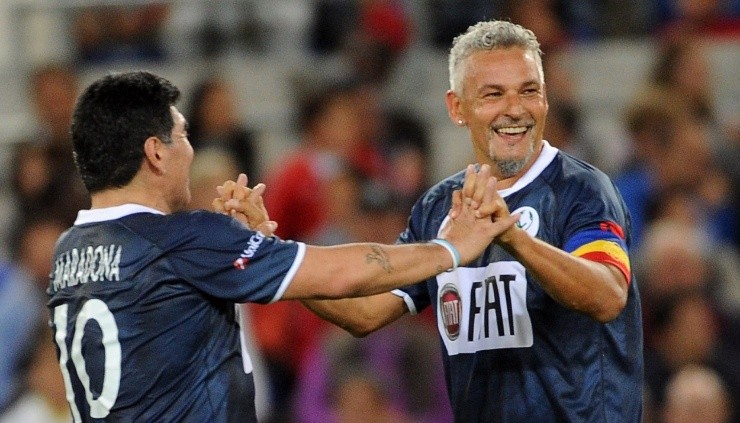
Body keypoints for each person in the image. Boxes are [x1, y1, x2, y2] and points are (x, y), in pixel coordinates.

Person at [224, 20, 643, 422]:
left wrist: (516, 240)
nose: (515, 109)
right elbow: (366, 313)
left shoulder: (582, 190)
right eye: (493, 94)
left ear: (546, 98)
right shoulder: (437, 206)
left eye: (529, 91)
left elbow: (608, 295)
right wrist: (270, 248)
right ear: (457, 107)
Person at [48, 70, 517, 423]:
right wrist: (448, 247)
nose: (189, 149)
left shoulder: (67, 252)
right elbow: (339, 273)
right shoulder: (185, 239)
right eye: (184, 134)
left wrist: (251, 244)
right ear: (155, 152)